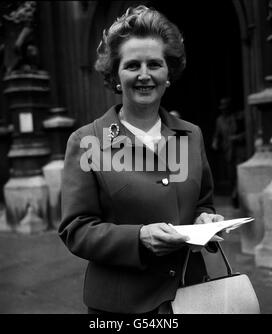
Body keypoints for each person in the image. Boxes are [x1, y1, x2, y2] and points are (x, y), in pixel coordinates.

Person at [59, 5, 224, 314]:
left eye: (155, 64)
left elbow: (203, 202)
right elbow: (76, 230)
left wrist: (206, 220)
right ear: (116, 76)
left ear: (168, 73)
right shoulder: (88, 141)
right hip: (122, 308)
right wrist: (138, 237)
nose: (145, 75)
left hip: (191, 297)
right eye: (133, 65)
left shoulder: (191, 135)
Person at [212, 97, 246, 207]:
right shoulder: (219, 120)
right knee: (231, 176)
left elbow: (247, 131)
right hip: (227, 151)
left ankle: (236, 197)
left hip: (239, 150)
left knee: (238, 175)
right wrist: (215, 142)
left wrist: (237, 137)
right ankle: (234, 195)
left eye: (226, 108)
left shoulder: (237, 117)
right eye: (222, 108)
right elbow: (217, 134)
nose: (224, 110)